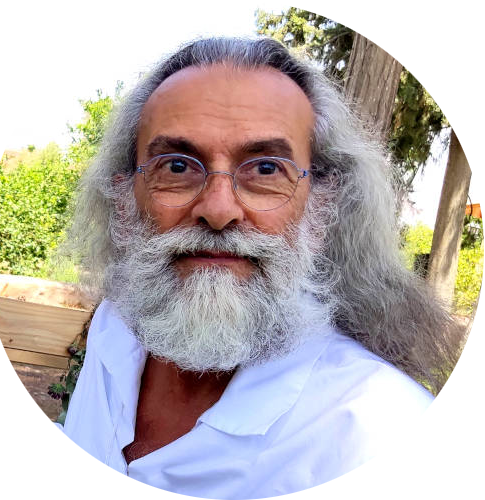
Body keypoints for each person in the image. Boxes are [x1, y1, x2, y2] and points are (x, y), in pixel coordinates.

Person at [56, 37, 460, 497]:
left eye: (267, 170)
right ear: (124, 199)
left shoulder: (375, 428)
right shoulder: (116, 325)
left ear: (322, 207)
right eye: (177, 166)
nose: (218, 209)